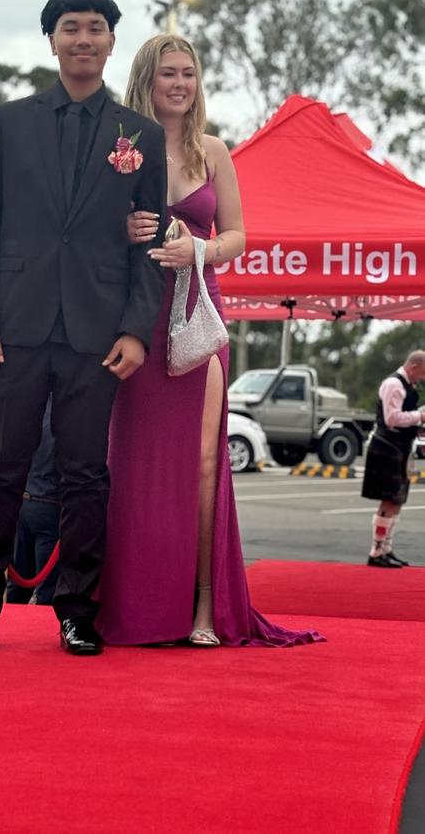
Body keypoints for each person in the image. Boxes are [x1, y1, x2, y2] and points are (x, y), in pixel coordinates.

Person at [0, 0, 167, 655]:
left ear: (109, 41)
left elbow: (149, 243)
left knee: (84, 475)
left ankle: (77, 611)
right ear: (52, 39)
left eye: (95, 28)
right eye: (70, 27)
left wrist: (135, 329)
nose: (82, 39)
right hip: (14, 326)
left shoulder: (140, 135)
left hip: (97, 334)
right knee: (1, 471)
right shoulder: (8, 122)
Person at [96, 35, 323, 647]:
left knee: (201, 464)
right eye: (168, 73)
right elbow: (84, 235)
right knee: (136, 465)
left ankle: (202, 606)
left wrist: (199, 246)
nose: (179, 83)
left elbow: (240, 236)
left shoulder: (215, 151)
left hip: (200, 315)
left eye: (188, 74)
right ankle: (134, 603)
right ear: (147, 78)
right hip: (135, 320)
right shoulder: (117, 149)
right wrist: (120, 227)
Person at [361, 350, 425, 567]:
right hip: (387, 446)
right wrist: (420, 415)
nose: (423, 378)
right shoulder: (393, 384)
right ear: (414, 367)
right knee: (388, 499)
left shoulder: (407, 385)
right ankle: (376, 551)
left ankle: (387, 548)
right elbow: (392, 418)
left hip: (400, 447)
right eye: (423, 373)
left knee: (397, 499)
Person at [6, 398, 61, 605]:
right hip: (50, 503)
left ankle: (10, 624)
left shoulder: (25, 417)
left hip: (23, 501)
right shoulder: (65, 421)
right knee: (47, 585)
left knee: (18, 580)